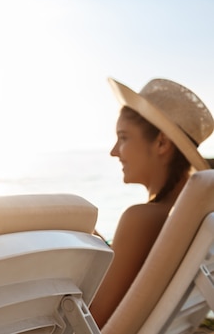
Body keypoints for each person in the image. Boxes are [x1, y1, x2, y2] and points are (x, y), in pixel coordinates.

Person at [90, 77, 214, 328]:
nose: (114, 151)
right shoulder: (194, 220)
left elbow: (90, 323)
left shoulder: (142, 219)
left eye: (123, 137)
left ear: (161, 143)